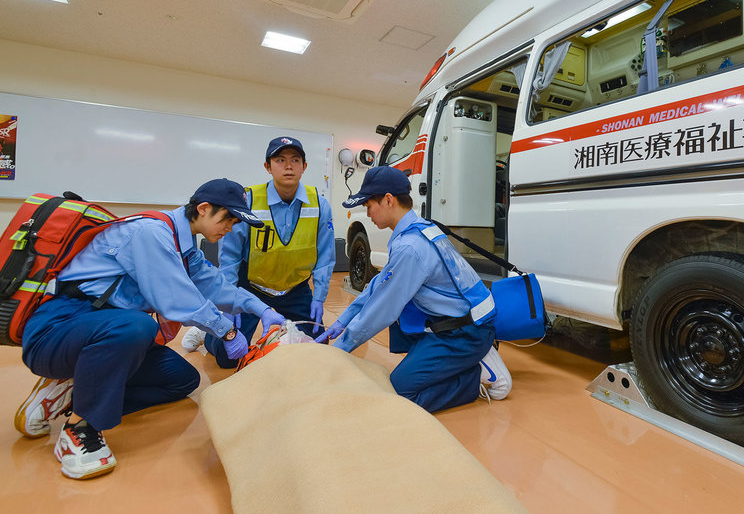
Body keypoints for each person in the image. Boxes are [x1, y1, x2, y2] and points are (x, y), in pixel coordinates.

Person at [14, 178, 285, 480]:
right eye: (228, 219)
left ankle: (75, 389)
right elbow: (177, 299)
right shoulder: (150, 234)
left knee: (181, 380)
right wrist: (228, 332)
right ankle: (80, 428)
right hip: (58, 328)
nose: (230, 229)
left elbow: (215, 286)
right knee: (137, 326)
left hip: (102, 330)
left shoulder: (184, 247)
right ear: (204, 209)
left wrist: (261, 308)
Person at [314, 166, 512, 412]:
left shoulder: (411, 247)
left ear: (388, 200)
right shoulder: (417, 228)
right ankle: (455, 359)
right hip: (457, 319)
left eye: (368, 206)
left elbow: (383, 308)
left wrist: (339, 349)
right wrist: (343, 320)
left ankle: (473, 376)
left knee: (400, 395)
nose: (368, 213)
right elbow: (379, 284)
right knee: (401, 322)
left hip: (465, 332)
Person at [183, 136, 335, 368]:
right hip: (251, 285)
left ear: (304, 167)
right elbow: (230, 257)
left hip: (295, 288)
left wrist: (319, 297)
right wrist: (228, 302)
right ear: (267, 166)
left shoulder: (319, 204)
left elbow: (325, 256)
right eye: (280, 159)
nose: (288, 166)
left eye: (295, 160)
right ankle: (207, 335)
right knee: (227, 358)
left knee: (316, 349)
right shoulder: (249, 199)